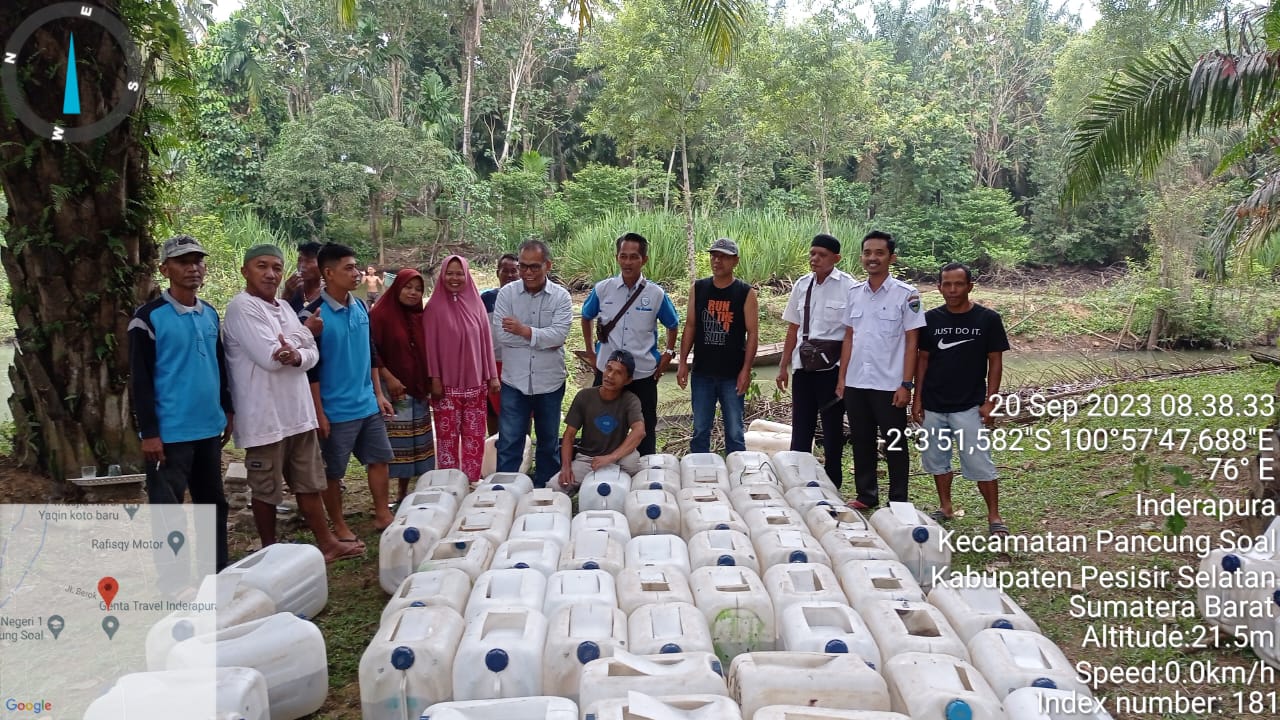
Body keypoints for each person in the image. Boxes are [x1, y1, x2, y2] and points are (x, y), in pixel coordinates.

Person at [223, 244, 363, 562]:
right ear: (245, 271)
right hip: (264, 417)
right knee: (266, 489)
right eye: (262, 266)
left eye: (276, 267)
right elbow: (271, 358)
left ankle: (327, 543)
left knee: (309, 482)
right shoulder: (242, 308)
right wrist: (304, 334)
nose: (271, 274)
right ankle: (269, 550)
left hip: (298, 412)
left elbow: (310, 355)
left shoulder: (285, 309)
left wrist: (297, 348)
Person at [128, 234, 232, 571]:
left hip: (208, 428)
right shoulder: (148, 318)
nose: (193, 268)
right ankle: (173, 583)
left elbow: (220, 364)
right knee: (168, 509)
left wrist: (227, 410)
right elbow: (140, 380)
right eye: (183, 262)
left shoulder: (210, 314)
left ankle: (214, 572)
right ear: (165, 268)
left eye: (198, 261)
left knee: (212, 503)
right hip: (170, 433)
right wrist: (149, 432)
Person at [303, 243, 396, 535]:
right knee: (333, 473)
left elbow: (369, 351)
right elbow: (310, 371)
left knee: (379, 459)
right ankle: (340, 525)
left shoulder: (359, 307)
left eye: (356, 267)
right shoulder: (311, 317)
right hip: (335, 409)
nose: (356, 273)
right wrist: (319, 413)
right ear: (328, 273)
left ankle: (382, 514)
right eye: (348, 268)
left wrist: (378, 394)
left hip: (366, 402)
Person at [911, 262, 1010, 536]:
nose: (952, 290)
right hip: (933, 405)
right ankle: (945, 507)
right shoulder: (930, 319)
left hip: (969, 406)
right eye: (947, 284)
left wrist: (991, 401)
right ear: (939, 286)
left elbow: (995, 362)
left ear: (970, 286)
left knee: (980, 463)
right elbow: (923, 361)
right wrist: (916, 400)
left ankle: (994, 516)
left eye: (958, 284)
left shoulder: (988, 319)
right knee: (936, 461)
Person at [836, 230, 926, 509]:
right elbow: (849, 337)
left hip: (889, 384)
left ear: (891, 257)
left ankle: (898, 498)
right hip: (856, 382)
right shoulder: (853, 294)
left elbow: (913, 343)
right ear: (861, 256)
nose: (872, 258)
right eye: (867, 253)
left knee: (895, 442)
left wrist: (906, 384)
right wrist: (842, 379)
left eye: (879, 253)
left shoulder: (906, 294)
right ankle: (866, 494)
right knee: (861, 440)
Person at [581, 232, 679, 457]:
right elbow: (586, 317)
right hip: (607, 370)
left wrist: (668, 353)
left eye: (633, 257)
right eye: (623, 256)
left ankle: (646, 470)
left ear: (644, 260)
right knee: (600, 423)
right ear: (617, 257)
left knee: (644, 426)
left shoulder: (656, 294)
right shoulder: (603, 289)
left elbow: (672, 324)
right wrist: (590, 351)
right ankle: (600, 465)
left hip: (643, 373)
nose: (627, 262)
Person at [775, 234, 857, 487]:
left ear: (836, 258)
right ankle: (798, 480)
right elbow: (793, 329)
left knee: (833, 429)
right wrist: (783, 366)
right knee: (801, 426)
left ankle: (833, 482)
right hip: (803, 367)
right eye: (812, 254)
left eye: (821, 255)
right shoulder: (802, 285)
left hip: (831, 370)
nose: (815, 259)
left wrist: (844, 375)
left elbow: (851, 334)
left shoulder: (849, 287)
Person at [494, 240, 573, 488]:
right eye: (523, 266)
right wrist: (540, 337)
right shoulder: (507, 294)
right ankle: (505, 493)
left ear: (547, 265)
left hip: (549, 383)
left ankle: (545, 494)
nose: (528, 272)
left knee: (548, 442)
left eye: (534, 267)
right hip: (514, 381)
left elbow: (559, 336)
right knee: (509, 441)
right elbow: (502, 335)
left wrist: (523, 330)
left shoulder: (561, 297)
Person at [676, 238, 759, 454]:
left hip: (732, 374)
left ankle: (737, 474)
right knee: (700, 428)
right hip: (702, 371)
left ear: (735, 261)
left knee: (734, 430)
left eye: (723, 256)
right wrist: (683, 362)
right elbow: (691, 325)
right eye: (714, 255)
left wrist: (746, 370)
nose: (717, 260)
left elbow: (752, 334)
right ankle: (699, 473)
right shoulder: (699, 288)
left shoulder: (745, 292)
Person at [423, 255, 500, 481]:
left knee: (474, 436)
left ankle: (471, 479)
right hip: (446, 387)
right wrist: (434, 378)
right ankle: (449, 482)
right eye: (450, 273)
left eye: (459, 273)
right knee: (447, 438)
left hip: (476, 385)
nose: (454, 278)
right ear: (442, 275)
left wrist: (492, 376)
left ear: (467, 275)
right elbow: (430, 347)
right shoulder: (434, 308)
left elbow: (486, 342)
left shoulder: (476, 303)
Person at [370, 268, 436, 503]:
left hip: (417, 389)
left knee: (415, 445)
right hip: (393, 391)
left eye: (418, 290)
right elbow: (372, 351)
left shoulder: (420, 316)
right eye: (408, 287)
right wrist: (389, 377)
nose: (413, 293)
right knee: (394, 447)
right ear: (397, 287)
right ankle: (384, 499)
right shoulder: (380, 315)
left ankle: (403, 495)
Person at [556, 350, 646, 492]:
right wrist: (566, 467)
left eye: (618, 372)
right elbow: (569, 435)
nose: (610, 376)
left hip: (620, 456)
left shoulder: (630, 400)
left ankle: (622, 489)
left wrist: (611, 457)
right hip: (588, 459)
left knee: (633, 467)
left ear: (628, 380)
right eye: (608, 369)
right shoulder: (584, 396)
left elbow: (639, 431)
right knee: (555, 486)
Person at [481, 253, 520, 434]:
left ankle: (524, 454)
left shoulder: (526, 298)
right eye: (506, 271)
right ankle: (494, 453)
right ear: (498, 273)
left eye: (514, 271)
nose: (510, 275)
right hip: (492, 364)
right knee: (493, 412)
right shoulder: (486, 299)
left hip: (518, 364)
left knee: (522, 413)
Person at [283, 241, 323, 313]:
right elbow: (279, 316)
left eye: (309, 261)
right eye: (299, 260)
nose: (302, 266)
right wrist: (287, 293)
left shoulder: (329, 293)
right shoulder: (293, 289)